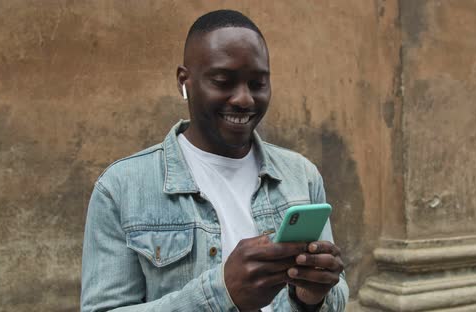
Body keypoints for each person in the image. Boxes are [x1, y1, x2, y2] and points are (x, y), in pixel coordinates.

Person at [81, 9, 348, 312]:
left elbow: (336, 294)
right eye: (223, 81)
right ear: (185, 81)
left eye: (258, 83)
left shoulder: (301, 176)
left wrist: (311, 296)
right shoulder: (121, 187)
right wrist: (220, 294)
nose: (244, 99)